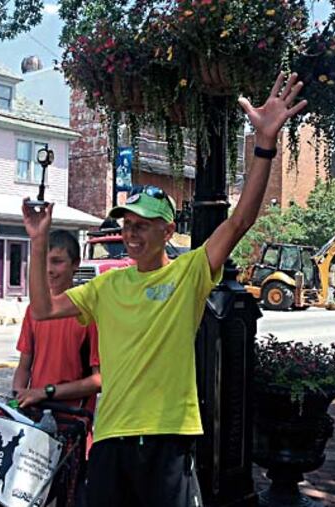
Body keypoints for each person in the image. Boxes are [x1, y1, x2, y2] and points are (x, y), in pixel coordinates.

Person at [21, 72, 307, 507]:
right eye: (127, 225)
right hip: (112, 437)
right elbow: (42, 310)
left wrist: (264, 144)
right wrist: (38, 239)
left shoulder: (189, 273)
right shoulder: (106, 285)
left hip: (167, 437)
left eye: (143, 225)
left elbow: (240, 221)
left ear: (167, 230)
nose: (131, 234)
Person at [12, 230, 101, 413]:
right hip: (36, 413)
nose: (48, 269)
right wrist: (18, 395)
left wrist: (46, 392)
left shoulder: (89, 312)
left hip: (73, 417)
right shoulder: (33, 311)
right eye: (44, 262)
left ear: (75, 264)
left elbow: (99, 380)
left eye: (57, 261)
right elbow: (24, 366)